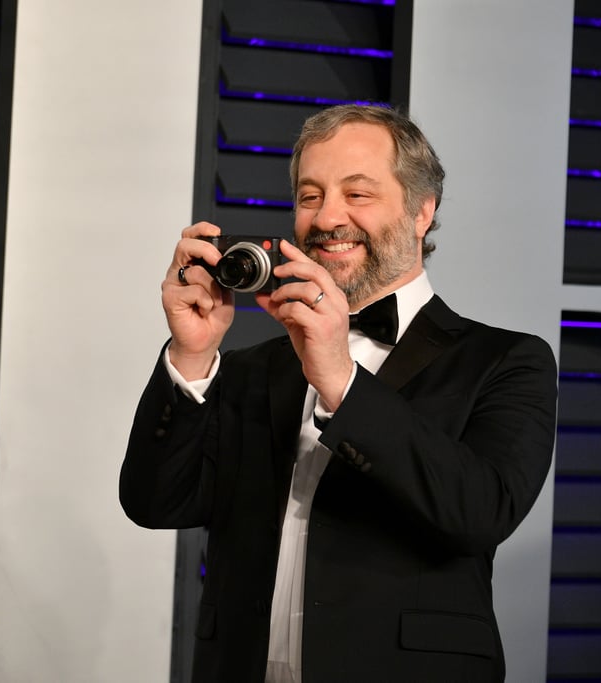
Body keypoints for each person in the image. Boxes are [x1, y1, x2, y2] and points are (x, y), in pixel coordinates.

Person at [119, 104, 558, 682]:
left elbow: (479, 511)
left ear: (422, 211)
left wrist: (340, 382)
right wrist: (193, 356)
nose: (327, 218)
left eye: (358, 195)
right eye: (309, 196)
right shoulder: (251, 369)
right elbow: (155, 503)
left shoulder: (505, 360)